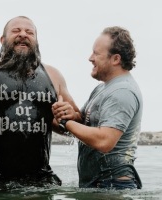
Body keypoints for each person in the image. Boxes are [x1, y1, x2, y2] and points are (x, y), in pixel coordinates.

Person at [0, 16, 81, 187]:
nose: (23, 34)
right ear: (2, 39)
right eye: (16, 31)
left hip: (40, 182)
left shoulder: (53, 75)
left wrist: (69, 116)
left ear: (36, 41)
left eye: (30, 32)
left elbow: (77, 124)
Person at [52, 26, 143, 190]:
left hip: (114, 185)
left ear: (115, 59)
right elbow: (83, 124)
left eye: (96, 53)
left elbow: (105, 141)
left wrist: (66, 122)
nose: (90, 58)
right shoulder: (102, 89)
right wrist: (70, 115)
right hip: (100, 185)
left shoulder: (122, 92)